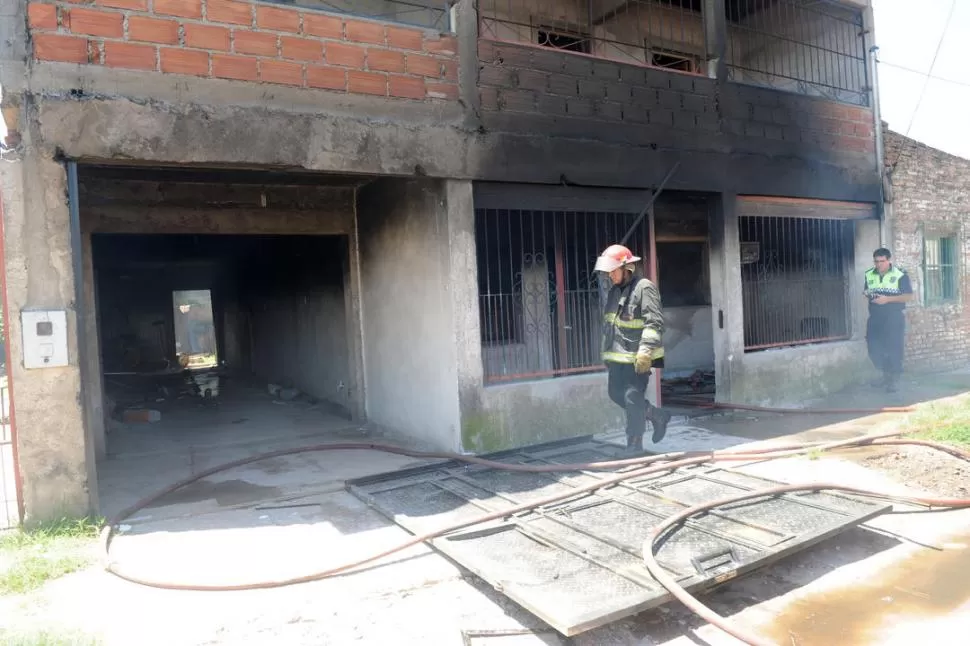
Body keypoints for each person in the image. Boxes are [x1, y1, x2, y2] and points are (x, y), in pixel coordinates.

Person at [594, 243, 671, 453]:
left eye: (613, 271)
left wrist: (646, 351)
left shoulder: (644, 287)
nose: (610, 275)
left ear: (626, 268)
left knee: (631, 397)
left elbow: (654, 322)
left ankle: (634, 443)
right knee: (615, 394)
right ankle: (656, 415)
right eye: (608, 272)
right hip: (617, 357)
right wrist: (607, 355)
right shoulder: (613, 292)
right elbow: (610, 325)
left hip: (637, 357)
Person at [864, 248, 913, 392]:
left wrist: (887, 299)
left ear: (889, 260)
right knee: (874, 348)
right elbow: (868, 290)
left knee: (893, 348)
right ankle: (885, 375)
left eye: (882, 261)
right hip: (875, 317)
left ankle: (894, 380)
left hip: (893, 317)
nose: (879, 264)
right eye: (876, 261)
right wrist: (868, 294)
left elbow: (908, 296)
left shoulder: (900, 274)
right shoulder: (869, 274)